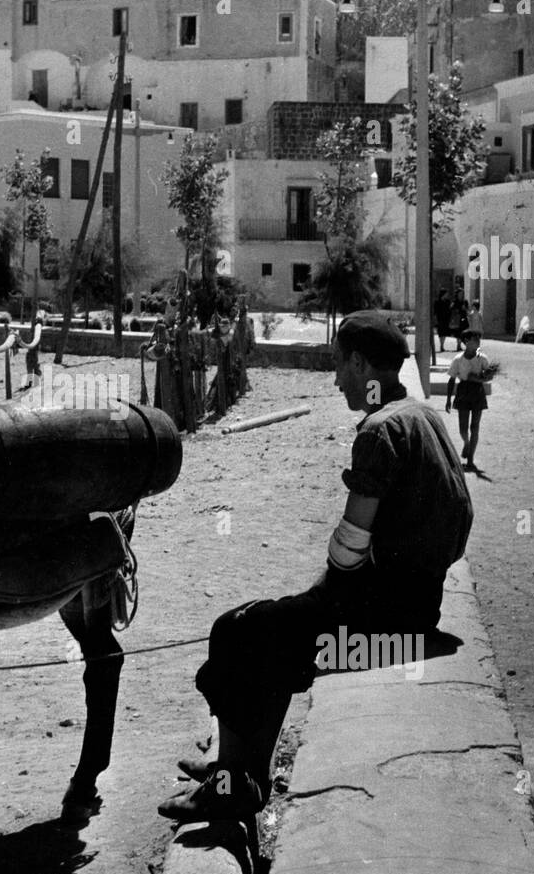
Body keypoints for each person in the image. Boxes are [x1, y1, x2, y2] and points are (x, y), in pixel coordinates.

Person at [158, 311, 473, 829]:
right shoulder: (422, 415)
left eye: (338, 365)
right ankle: (236, 771)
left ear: (359, 362)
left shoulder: (378, 430)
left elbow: (350, 545)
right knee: (274, 628)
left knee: (237, 630)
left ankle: (233, 786)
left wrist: (323, 595)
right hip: (421, 607)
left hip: (384, 625)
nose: (335, 379)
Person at [446, 327, 489, 470]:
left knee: (474, 427)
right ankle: (466, 443)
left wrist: (484, 377)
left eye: (479, 339)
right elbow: (452, 379)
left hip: (477, 392)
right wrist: (448, 399)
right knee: (463, 428)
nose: (478, 341)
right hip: (463, 391)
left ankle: (470, 460)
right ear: (466, 341)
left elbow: (488, 375)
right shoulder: (458, 359)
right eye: (474, 339)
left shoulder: (482, 358)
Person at [434, 288, 452, 352]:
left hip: (446, 319)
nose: (447, 295)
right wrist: (435, 319)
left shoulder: (448, 301)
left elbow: (449, 310)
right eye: (446, 294)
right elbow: (435, 311)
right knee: (441, 333)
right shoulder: (437, 302)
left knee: (444, 333)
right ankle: (441, 345)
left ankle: (442, 345)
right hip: (440, 319)